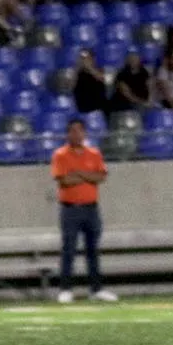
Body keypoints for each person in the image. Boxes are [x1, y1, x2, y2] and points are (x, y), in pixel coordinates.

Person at [51, 119, 116, 304]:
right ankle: (65, 289)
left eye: (79, 131)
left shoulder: (94, 153)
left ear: (85, 133)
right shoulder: (60, 155)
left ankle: (96, 289)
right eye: (72, 131)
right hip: (70, 209)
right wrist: (88, 176)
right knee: (68, 250)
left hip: (91, 208)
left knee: (93, 250)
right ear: (67, 134)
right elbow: (64, 181)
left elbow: (101, 176)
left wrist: (79, 174)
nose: (76, 135)